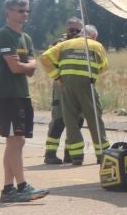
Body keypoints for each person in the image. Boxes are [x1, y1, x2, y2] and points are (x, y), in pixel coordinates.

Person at [0, 0, 47, 203]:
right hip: (7, 94)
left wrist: (28, 66)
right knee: (17, 140)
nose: (24, 14)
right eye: (20, 10)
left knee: (14, 142)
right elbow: (15, 68)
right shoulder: (3, 35)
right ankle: (22, 187)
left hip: (21, 93)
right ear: (8, 12)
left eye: (26, 10)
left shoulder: (26, 38)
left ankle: (8, 190)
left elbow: (31, 69)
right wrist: (28, 65)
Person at [37, 23, 109, 166]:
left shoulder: (65, 44)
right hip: (86, 86)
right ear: (93, 36)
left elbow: (44, 57)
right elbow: (104, 67)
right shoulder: (96, 45)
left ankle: (76, 157)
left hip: (66, 87)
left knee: (70, 122)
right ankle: (102, 155)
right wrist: (91, 72)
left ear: (81, 32)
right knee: (94, 119)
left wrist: (58, 77)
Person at [42, 16, 84, 164]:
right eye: (72, 30)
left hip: (79, 88)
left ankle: (69, 153)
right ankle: (50, 154)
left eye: (78, 30)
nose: (74, 33)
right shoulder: (58, 44)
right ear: (67, 30)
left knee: (77, 121)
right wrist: (58, 79)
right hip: (61, 87)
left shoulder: (84, 45)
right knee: (59, 120)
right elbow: (47, 60)